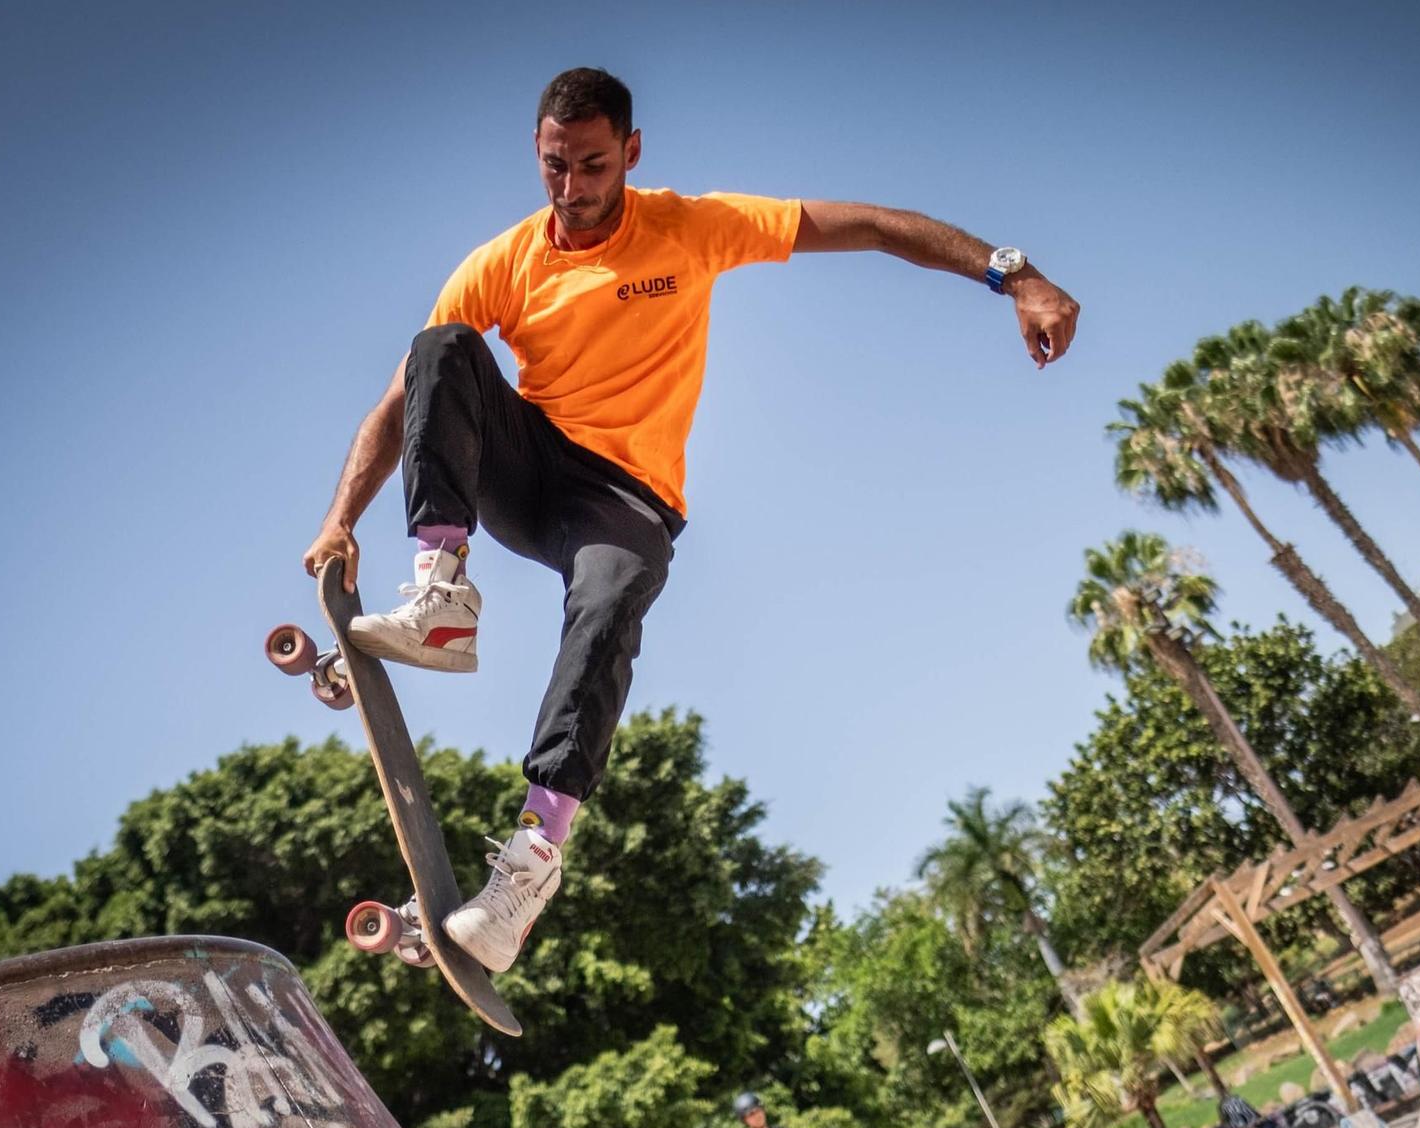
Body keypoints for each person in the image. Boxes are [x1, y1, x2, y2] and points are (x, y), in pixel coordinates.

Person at [301, 67, 1082, 975]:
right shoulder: (504, 263)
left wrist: (1014, 273)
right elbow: (401, 406)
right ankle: (442, 591)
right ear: (537, 153)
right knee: (438, 346)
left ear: (630, 153)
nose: (573, 189)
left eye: (593, 166)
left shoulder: (696, 226)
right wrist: (338, 518)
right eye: (555, 167)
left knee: (610, 598)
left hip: (626, 499)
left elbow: (866, 227)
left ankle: (529, 863)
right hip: (529, 469)